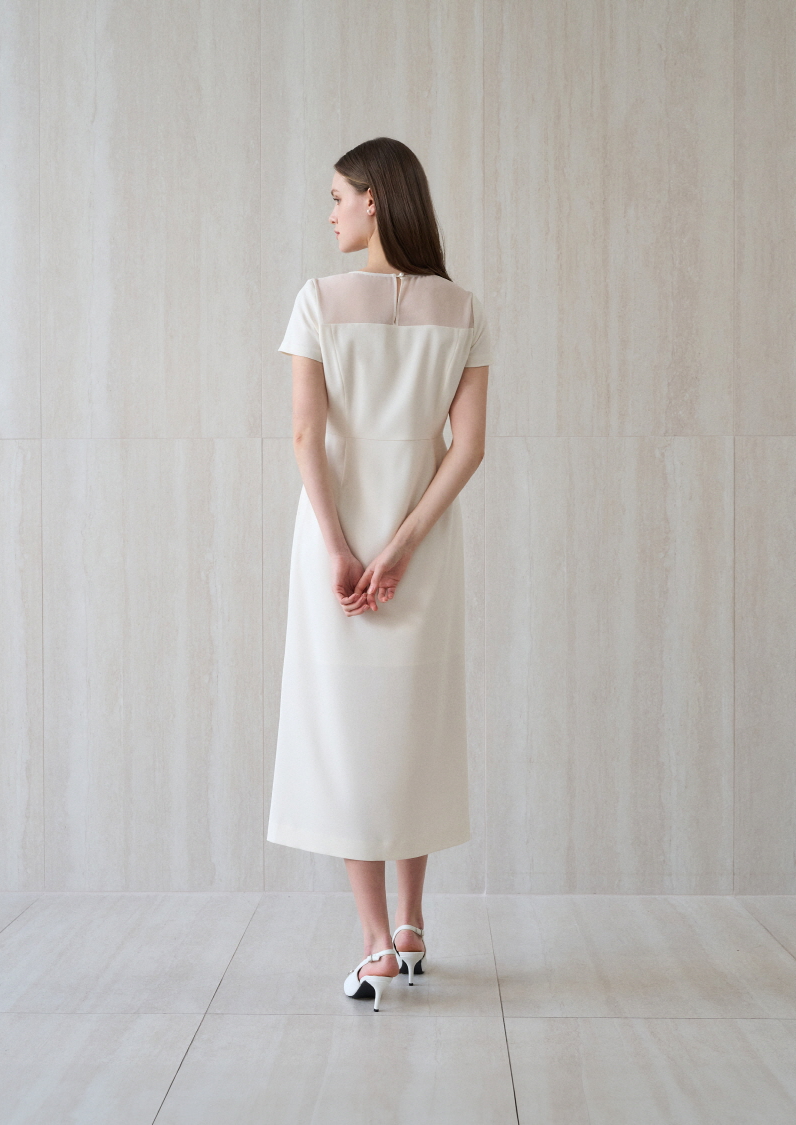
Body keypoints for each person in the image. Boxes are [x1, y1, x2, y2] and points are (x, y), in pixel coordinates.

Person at [267, 137, 492, 1011]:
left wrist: (342, 547)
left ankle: (372, 945)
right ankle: (412, 921)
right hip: (420, 551)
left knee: (346, 729)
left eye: (337, 197)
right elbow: (467, 448)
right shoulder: (463, 308)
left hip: (339, 548)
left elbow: (304, 435)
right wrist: (402, 547)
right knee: (413, 722)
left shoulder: (318, 300)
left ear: (374, 199)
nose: (330, 214)